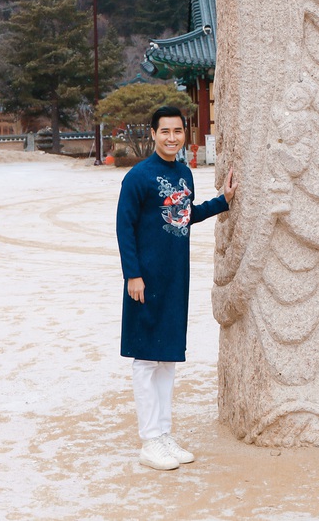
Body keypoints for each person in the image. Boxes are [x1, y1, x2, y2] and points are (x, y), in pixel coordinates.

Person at [116, 105, 237, 471]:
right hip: (145, 279)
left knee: (167, 357)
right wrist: (132, 274)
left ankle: (164, 434)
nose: (172, 137)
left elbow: (184, 215)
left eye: (178, 131)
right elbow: (124, 228)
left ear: (185, 134)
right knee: (145, 359)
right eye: (165, 131)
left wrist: (223, 202)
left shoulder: (184, 173)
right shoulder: (138, 178)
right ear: (153, 134)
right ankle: (149, 439)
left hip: (175, 278)